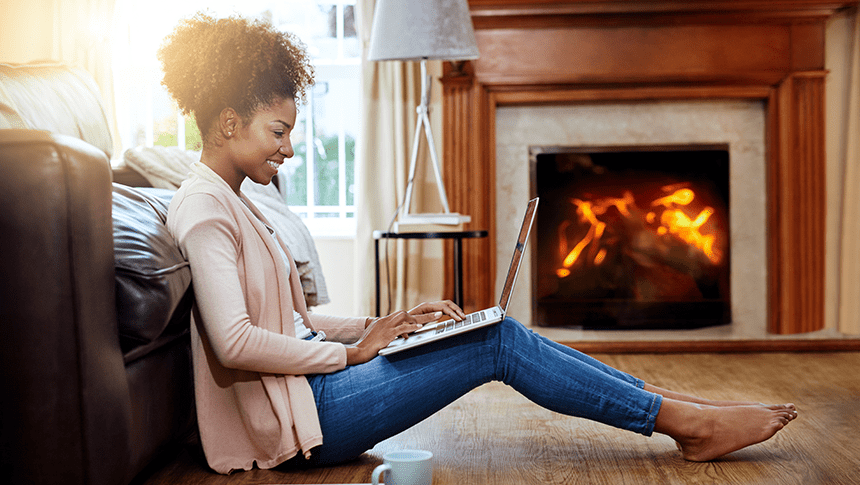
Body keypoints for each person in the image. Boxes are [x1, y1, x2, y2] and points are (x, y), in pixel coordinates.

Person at [160, 13, 797, 475]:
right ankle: (689, 423)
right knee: (495, 340)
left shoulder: (239, 199)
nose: (290, 148)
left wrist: (383, 324)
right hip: (307, 423)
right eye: (279, 130)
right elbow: (236, 342)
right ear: (228, 121)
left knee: (492, 326)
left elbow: (291, 321)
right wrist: (353, 355)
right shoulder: (204, 209)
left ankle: (686, 411)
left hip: (313, 394)